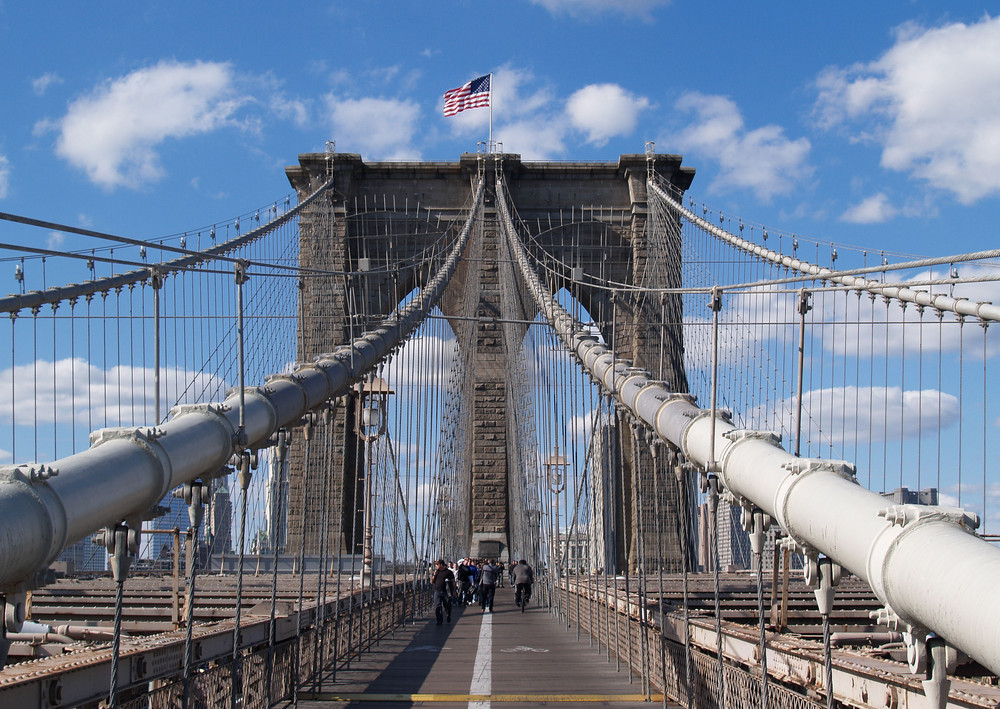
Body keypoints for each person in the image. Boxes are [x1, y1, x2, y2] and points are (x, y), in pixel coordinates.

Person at [431, 559, 456, 625]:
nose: (436, 566)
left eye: (437, 564)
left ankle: (448, 615)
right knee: (437, 606)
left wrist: (454, 590)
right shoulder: (436, 572)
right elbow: (432, 581)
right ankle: (439, 620)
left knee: (447, 605)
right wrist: (434, 575)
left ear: (441, 565)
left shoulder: (448, 572)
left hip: (446, 592)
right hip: (437, 591)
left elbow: (453, 582)